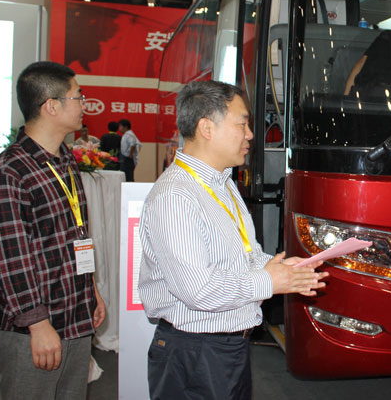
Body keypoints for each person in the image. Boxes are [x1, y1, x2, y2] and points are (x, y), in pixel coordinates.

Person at [138, 80, 327, 400]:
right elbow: (198, 290)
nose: (250, 134)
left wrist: (280, 268)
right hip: (195, 351)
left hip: (226, 347)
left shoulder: (221, 181)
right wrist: (270, 281)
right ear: (206, 128)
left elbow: (242, 253)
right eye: (242, 124)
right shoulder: (176, 197)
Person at [0, 61, 106, 399]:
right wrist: (37, 325)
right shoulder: (10, 171)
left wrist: (90, 289)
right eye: (78, 96)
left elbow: (75, 236)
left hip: (74, 315)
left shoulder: (64, 160)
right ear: (51, 106)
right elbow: (12, 259)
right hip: (35, 329)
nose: (84, 105)